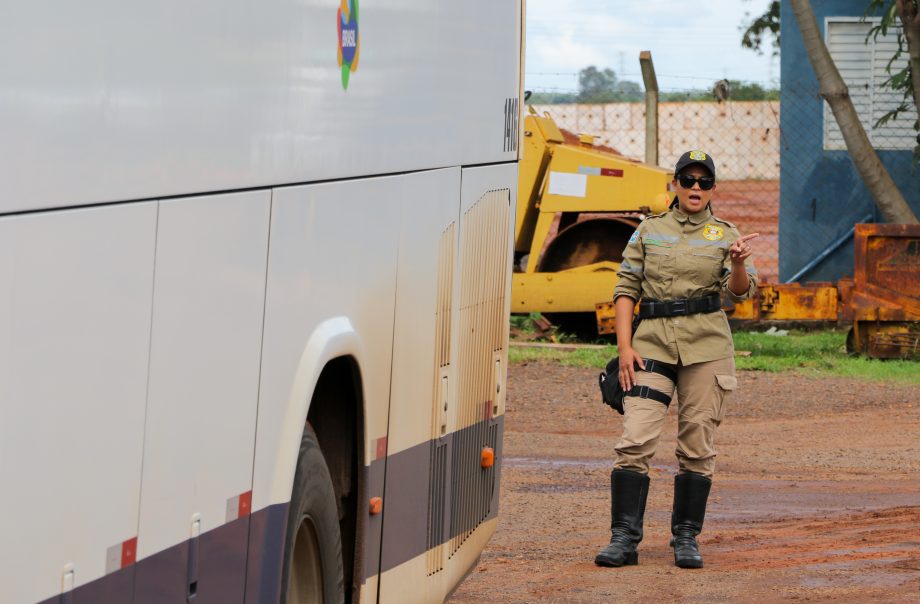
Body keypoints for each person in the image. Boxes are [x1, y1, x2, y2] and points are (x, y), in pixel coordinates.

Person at [594, 150, 758, 569]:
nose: (696, 188)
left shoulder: (726, 235)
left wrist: (738, 264)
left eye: (704, 182)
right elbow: (626, 288)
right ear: (676, 185)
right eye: (688, 180)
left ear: (713, 189)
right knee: (635, 439)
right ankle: (623, 539)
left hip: (707, 349)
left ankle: (686, 538)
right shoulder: (649, 230)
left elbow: (740, 292)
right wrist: (624, 348)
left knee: (697, 444)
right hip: (651, 346)